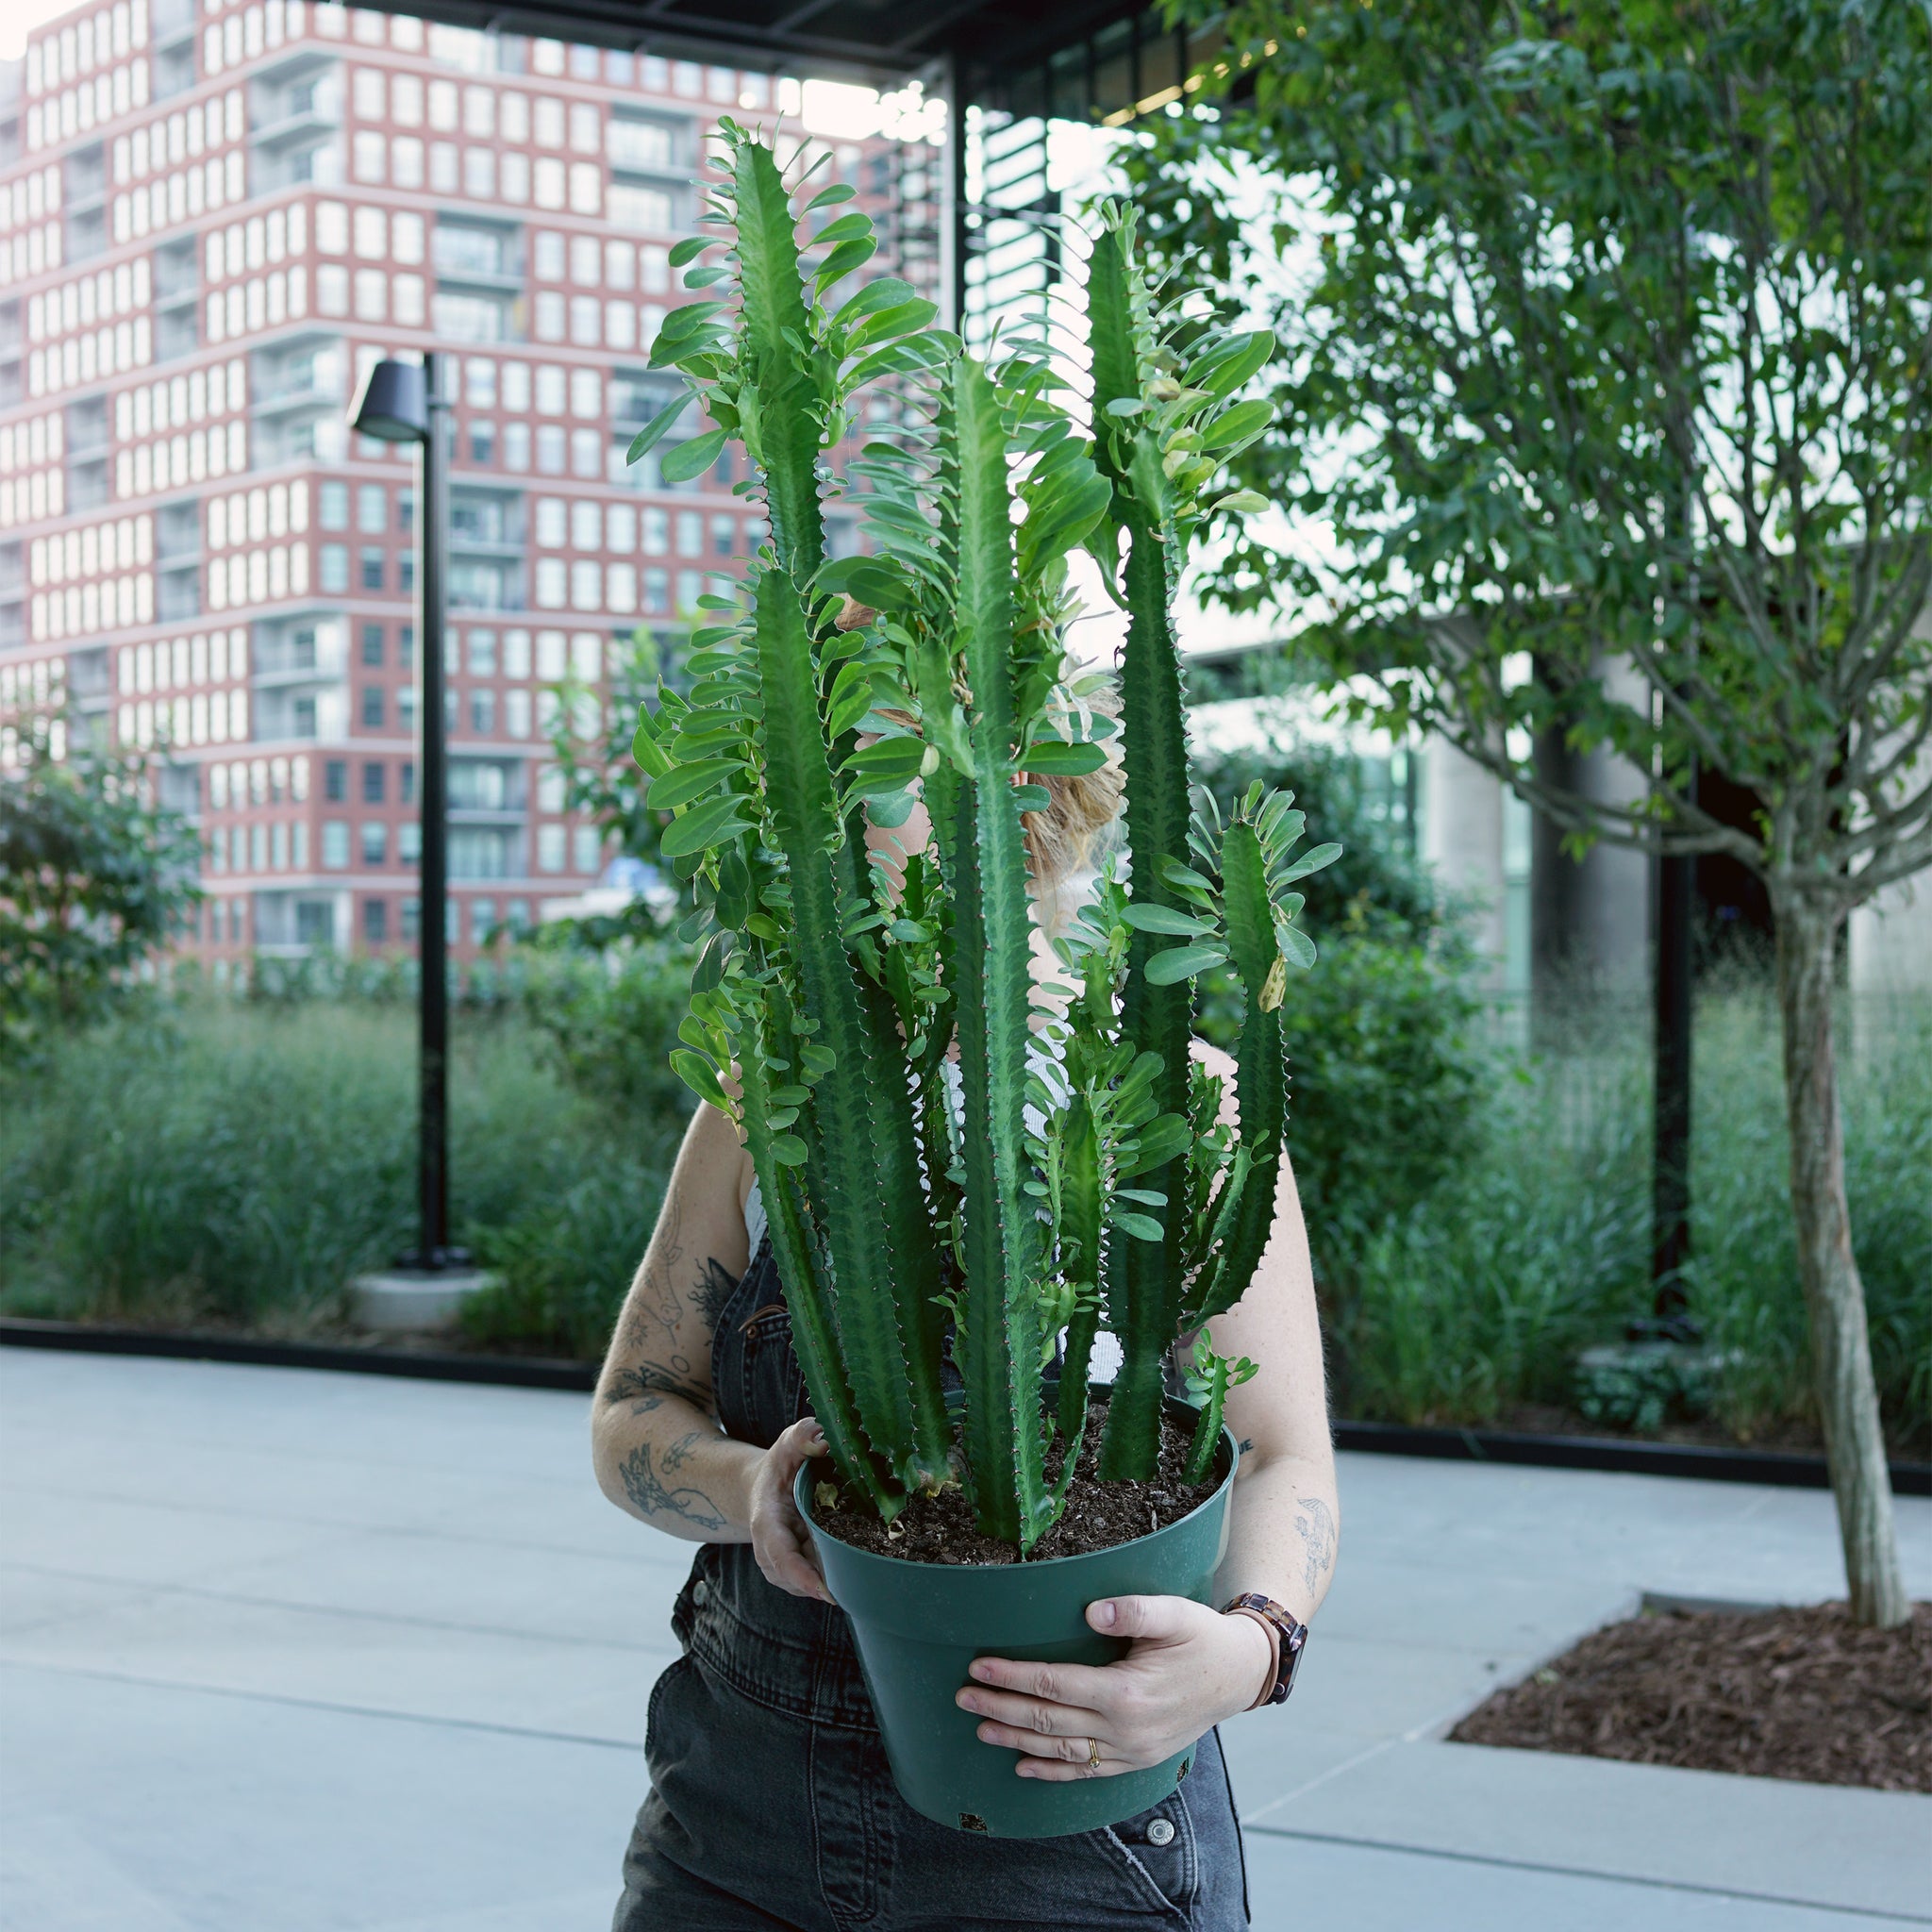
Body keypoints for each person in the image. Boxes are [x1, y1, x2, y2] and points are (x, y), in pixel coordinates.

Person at [594, 731, 1341, 1931]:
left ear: (1025, 772)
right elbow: (633, 1412)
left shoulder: (1193, 1097)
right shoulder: (759, 1093)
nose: (816, 802)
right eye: (812, 748)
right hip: (738, 1810)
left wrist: (1248, 1655)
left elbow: (1282, 1448)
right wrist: (751, 1491)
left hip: (1067, 1821)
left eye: (866, 754)